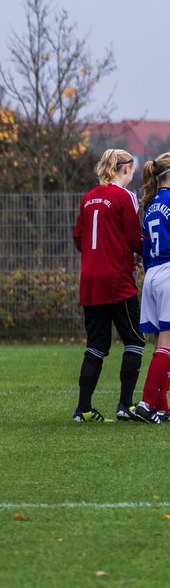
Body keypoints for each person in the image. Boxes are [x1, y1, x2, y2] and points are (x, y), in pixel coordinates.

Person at [72, 149, 143, 422]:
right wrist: (136, 255)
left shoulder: (88, 197)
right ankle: (125, 405)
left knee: (96, 345)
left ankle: (83, 409)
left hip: (90, 281)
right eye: (132, 167)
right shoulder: (126, 197)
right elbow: (135, 239)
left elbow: (79, 238)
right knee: (134, 341)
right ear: (123, 168)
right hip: (117, 279)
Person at [132, 152, 170, 423]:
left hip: (153, 273)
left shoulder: (152, 203)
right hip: (168, 272)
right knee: (167, 345)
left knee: (161, 343)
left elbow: (145, 247)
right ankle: (146, 403)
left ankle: (161, 407)